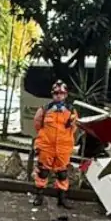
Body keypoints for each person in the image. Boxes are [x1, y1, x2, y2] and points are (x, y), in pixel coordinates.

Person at [32, 80, 79, 208]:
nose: (59, 95)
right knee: (43, 172)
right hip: (47, 145)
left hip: (63, 147)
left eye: (62, 93)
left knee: (62, 173)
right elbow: (37, 125)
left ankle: (62, 199)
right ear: (52, 94)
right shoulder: (45, 109)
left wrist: (65, 139)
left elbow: (74, 128)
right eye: (56, 93)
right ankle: (39, 196)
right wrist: (44, 138)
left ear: (66, 95)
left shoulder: (71, 111)